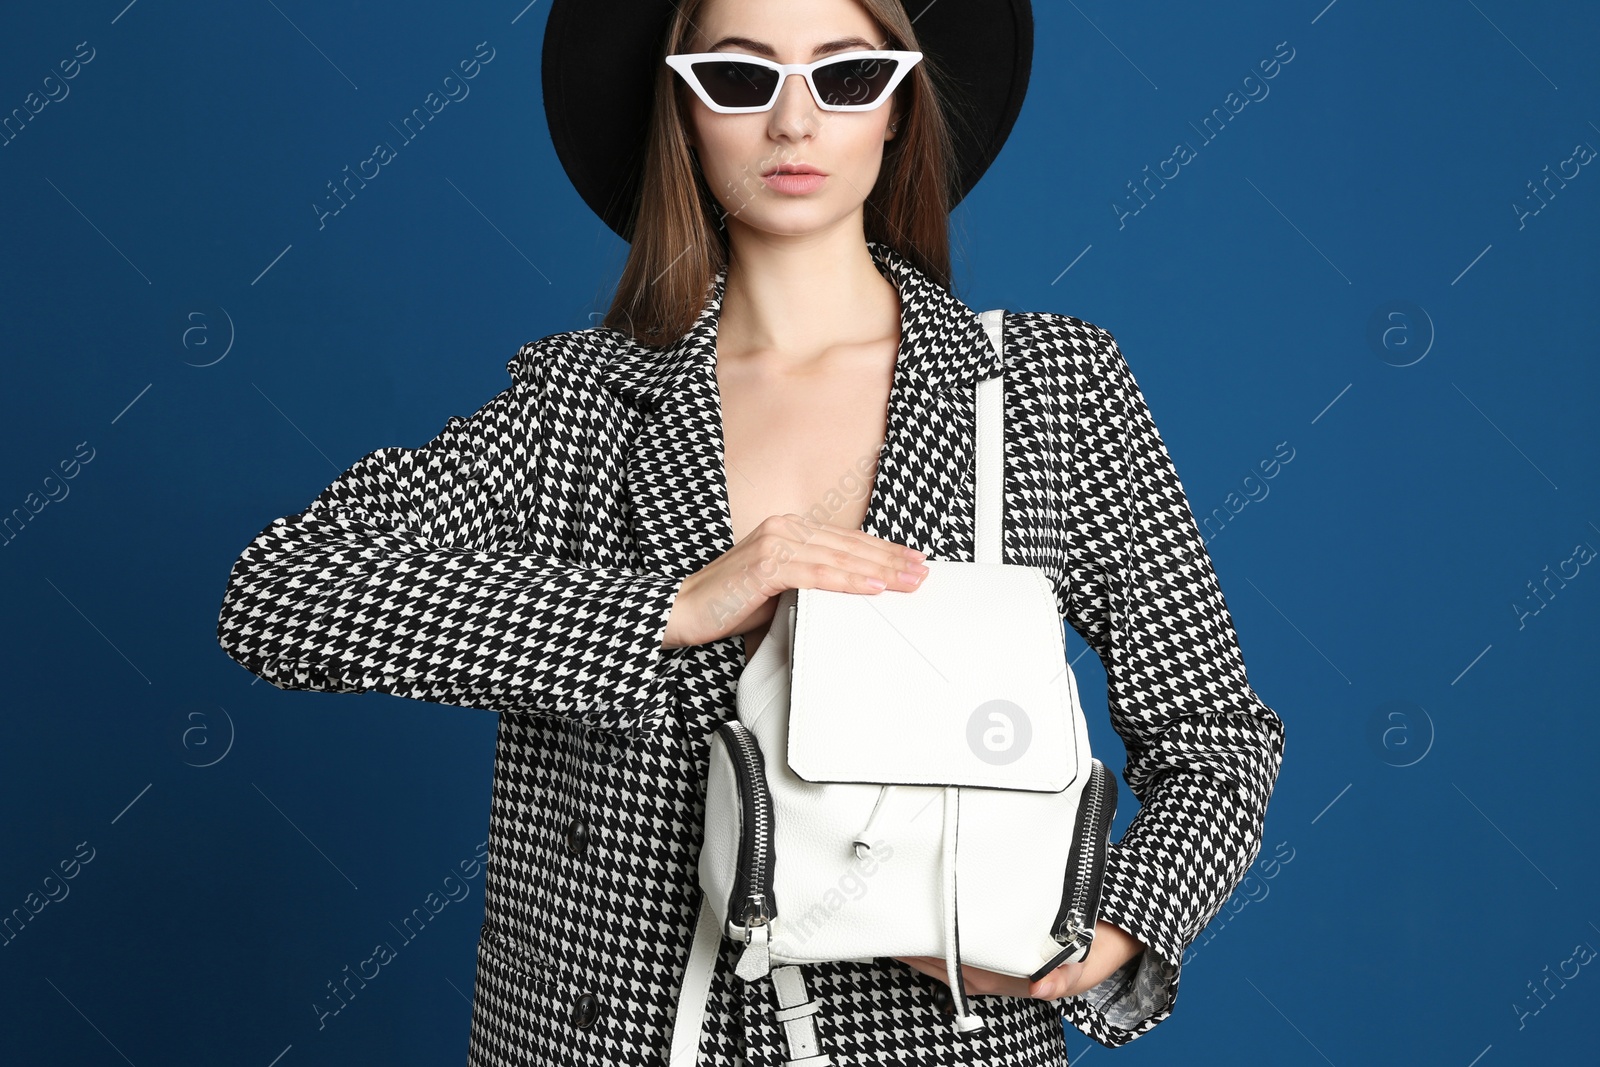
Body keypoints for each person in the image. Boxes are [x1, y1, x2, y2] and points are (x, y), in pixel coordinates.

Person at [215, 1, 1286, 1064]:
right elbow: (281, 592)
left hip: (936, 1039)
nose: (793, 120)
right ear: (682, 114)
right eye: (738, 78)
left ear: (900, 109)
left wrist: (1109, 931)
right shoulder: (579, 404)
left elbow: (1215, 734)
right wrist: (668, 608)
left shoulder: (1051, 390)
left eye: (846, 76)